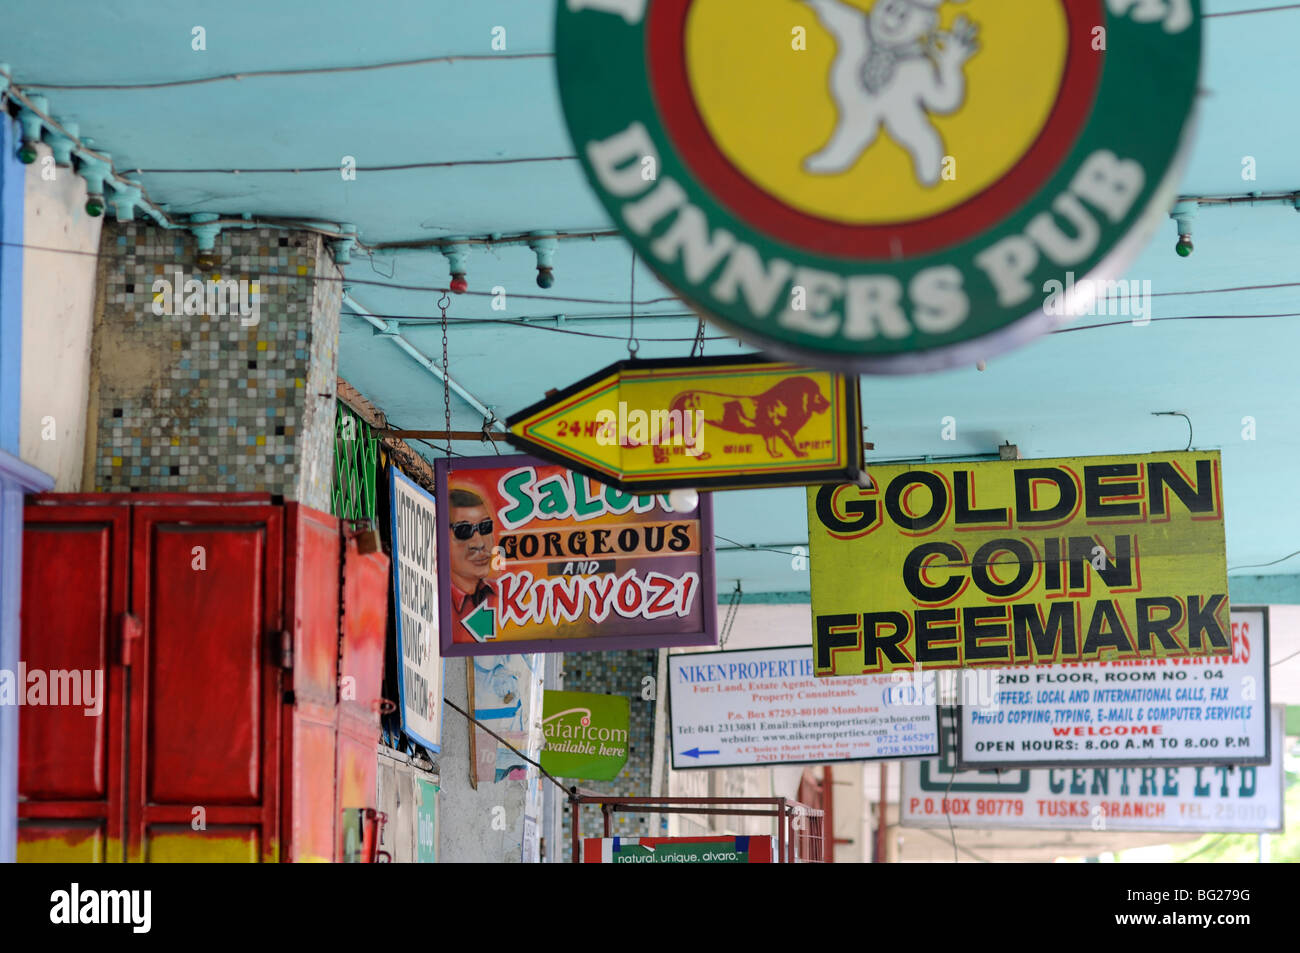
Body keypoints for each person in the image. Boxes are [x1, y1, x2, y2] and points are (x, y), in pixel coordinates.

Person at [447, 487, 497, 636]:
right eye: (464, 530)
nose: (479, 543)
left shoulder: (503, 595)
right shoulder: (436, 601)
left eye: (485, 527)